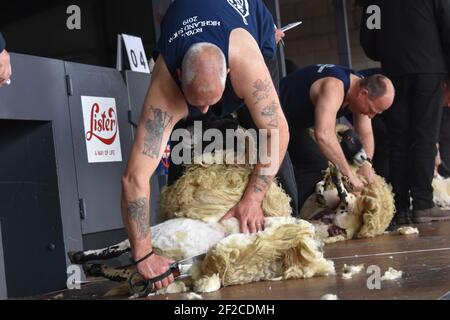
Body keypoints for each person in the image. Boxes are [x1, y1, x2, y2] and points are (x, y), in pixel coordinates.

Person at [121, 0, 291, 290]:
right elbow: (134, 178)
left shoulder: (246, 62)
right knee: (188, 137)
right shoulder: (164, 87)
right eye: (197, 102)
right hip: (187, 32)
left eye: (212, 101)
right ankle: (184, 234)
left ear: (228, 73)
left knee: (265, 137)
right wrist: (143, 253)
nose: (205, 109)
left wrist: (252, 198)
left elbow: (278, 133)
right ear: (177, 76)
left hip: (252, 25)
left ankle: (285, 222)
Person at [360, 0, 450, 225]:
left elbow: (368, 41)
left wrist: (390, 50)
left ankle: (400, 207)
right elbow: (447, 26)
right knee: (425, 137)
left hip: (393, 72)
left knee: (397, 140)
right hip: (429, 69)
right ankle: (423, 204)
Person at [280, 64, 395, 209]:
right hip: (267, 116)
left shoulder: (359, 85)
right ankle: (290, 213)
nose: (371, 115)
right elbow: (324, 135)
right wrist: (350, 176)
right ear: (363, 93)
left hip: (291, 123)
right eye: (371, 110)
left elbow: (365, 133)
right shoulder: (334, 86)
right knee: (316, 164)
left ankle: (299, 210)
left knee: (318, 162)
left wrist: (366, 164)